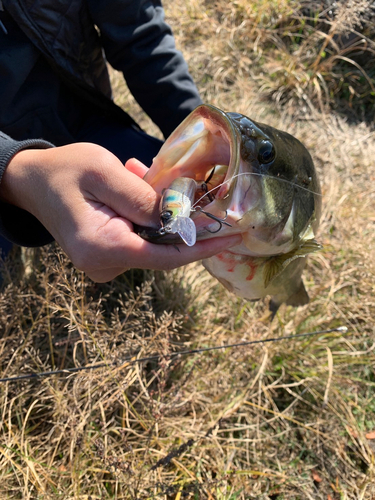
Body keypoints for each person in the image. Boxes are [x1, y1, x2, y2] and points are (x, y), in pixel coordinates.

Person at [0, 0, 241, 282]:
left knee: (193, 200)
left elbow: (141, 34)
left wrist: (203, 139)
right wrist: (11, 171)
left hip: (89, 121)